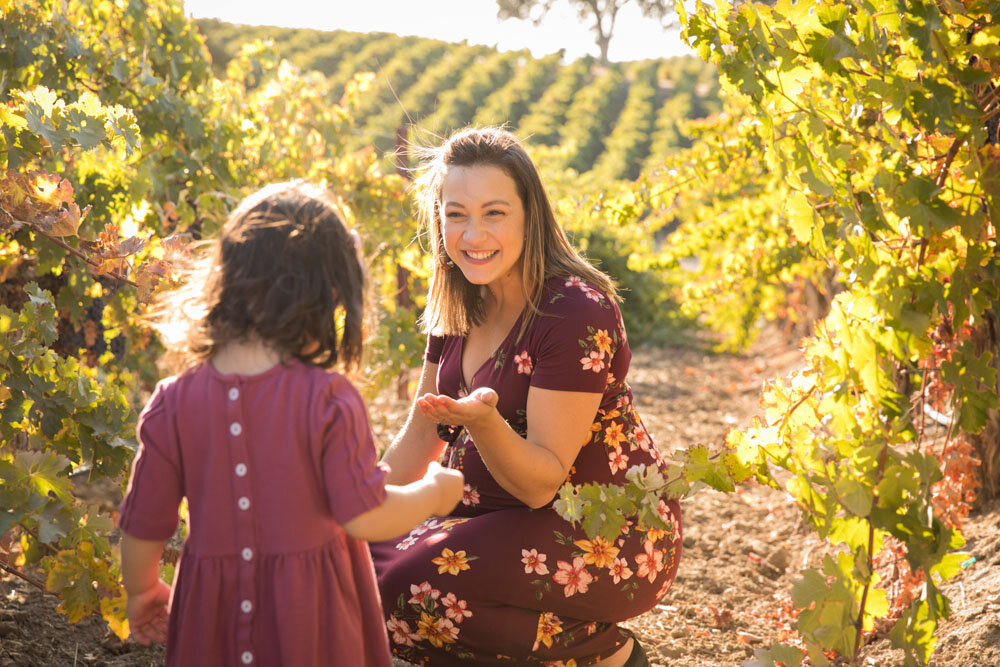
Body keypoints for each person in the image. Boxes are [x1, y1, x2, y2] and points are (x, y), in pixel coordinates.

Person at [117, 181, 465, 667]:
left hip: (208, 616)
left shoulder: (172, 401)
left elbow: (144, 524)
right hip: (312, 614)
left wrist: (142, 590)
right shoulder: (327, 400)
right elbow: (365, 515)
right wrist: (433, 493)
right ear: (329, 297)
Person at [371, 128, 682, 667]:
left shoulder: (574, 310)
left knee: (409, 587)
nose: (473, 234)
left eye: (494, 213)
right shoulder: (458, 295)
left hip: (598, 530)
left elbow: (542, 483)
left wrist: (484, 423)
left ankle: (607, 655)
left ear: (529, 215)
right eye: (455, 214)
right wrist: (350, 507)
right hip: (488, 518)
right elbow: (422, 430)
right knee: (354, 563)